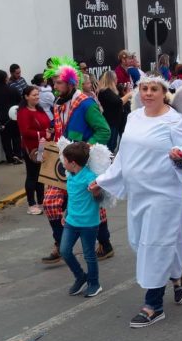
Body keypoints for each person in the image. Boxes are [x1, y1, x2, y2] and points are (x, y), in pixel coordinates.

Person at [89, 75, 182, 328]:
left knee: (154, 245)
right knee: (140, 242)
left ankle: (153, 305)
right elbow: (123, 155)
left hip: (166, 195)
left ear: (164, 93)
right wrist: (103, 180)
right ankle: (177, 273)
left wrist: (180, 155)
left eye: (154, 89)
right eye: (144, 88)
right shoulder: (134, 117)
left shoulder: (175, 121)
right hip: (140, 194)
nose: (148, 93)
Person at [40, 56, 112, 264]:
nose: (55, 86)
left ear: (71, 83)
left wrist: (84, 148)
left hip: (82, 163)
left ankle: (105, 244)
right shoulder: (58, 102)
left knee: (93, 204)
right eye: (54, 82)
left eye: (59, 82)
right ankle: (60, 244)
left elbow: (104, 131)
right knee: (51, 203)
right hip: (62, 163)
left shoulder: (85, 104)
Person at [59, 142, 103, 298]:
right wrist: (66, 212)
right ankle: (80, 277)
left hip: (89, 224)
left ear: (73, 163)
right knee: (64, 250)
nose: (62, 162)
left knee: (89, 254)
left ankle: (94, 283)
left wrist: (96, 192)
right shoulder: (70, 175)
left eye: (64, 160)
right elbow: (73, 197)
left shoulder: (91, 178)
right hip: (72, 221)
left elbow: (100, 200)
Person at [17, 86, 52, 215]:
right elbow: (25, 132)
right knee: (32, 175)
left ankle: (41, 201)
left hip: (42, 146)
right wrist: (43, 133)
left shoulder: (39, 109)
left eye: (37, 94)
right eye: (33, 95)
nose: (37, 97)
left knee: (40, 175)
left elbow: (48, 123)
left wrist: (49, 131)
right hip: (31, 148)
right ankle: (31, 204)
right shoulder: (23, 112)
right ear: (26, 97)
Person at [97, 70, 132, 153]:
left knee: (113, 145)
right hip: (111, 122)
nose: (117, 80)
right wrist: (129, 94)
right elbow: (119, 102)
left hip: (115, 122)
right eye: (115, 78)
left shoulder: (110, 91)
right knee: (110, 146)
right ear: (111, 79)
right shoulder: (105, 91)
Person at [0, 69, 23, 164]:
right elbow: (20, 101)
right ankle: (18, 155)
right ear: (5, 78)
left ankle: (9, 157)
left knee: (5, 138)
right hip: (13, 116)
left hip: (0, 118)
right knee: (16, 136)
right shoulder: (12, 89)